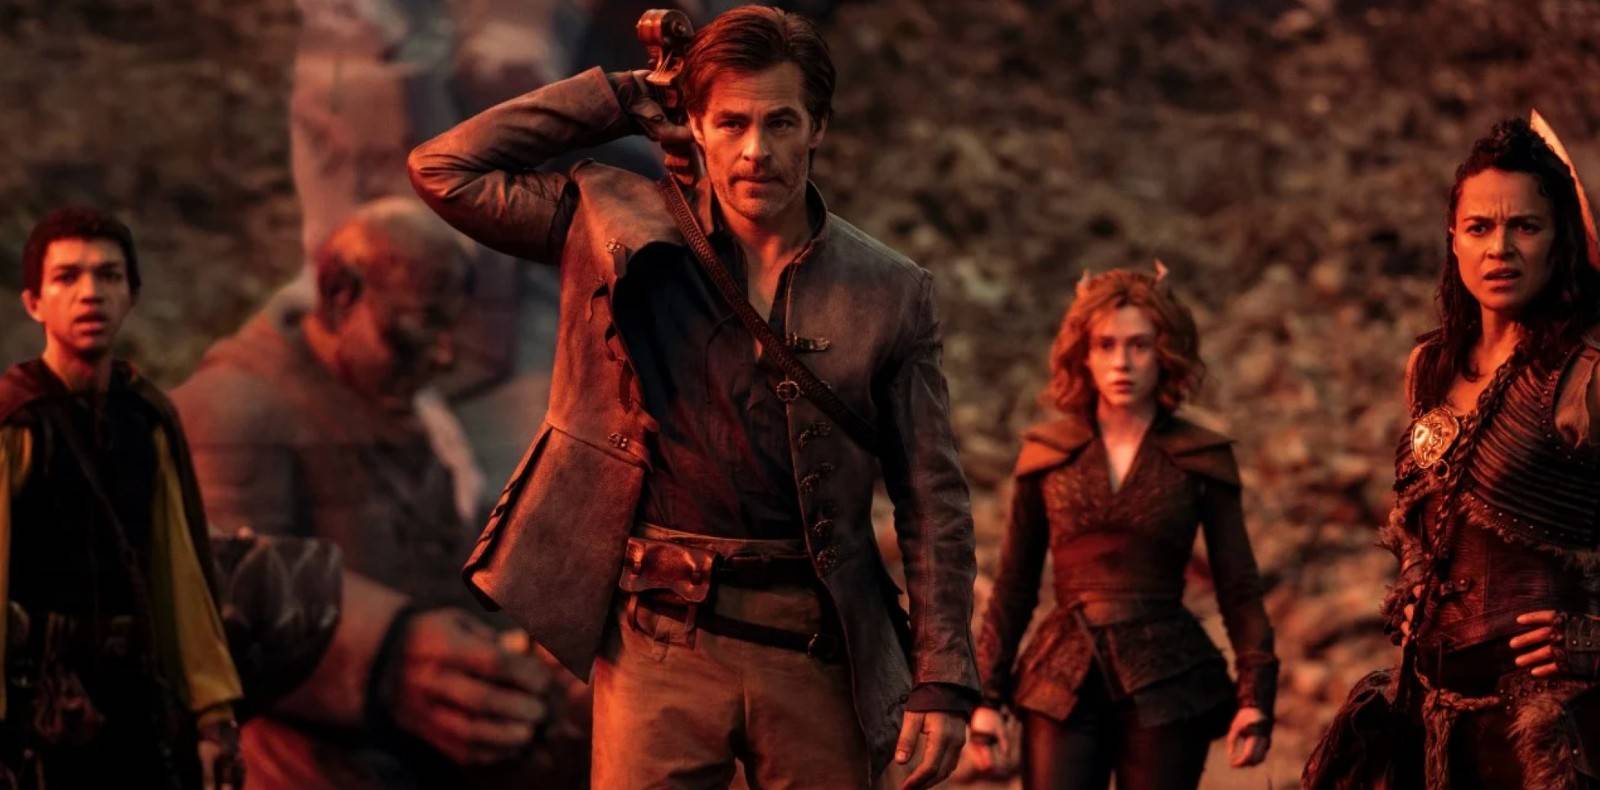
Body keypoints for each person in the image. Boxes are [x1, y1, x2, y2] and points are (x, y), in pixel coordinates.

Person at [409, 6, 979, 788]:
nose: (756, 151)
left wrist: (943, 678)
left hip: (816, 648)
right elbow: (443, 168)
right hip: (657, 641)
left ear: (818, 127)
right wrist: (620, 95)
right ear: (698, 126)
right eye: (732, 122)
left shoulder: (890, 290)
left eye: (781, 122)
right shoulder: (613, 224)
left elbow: (932, 498)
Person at [172, 197, 575, 789]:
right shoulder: (234, 408)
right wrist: (387, 659)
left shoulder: (405, 409)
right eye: (416, 328)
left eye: (448, 326)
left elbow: (449, 566)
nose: (442, 354)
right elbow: (213, 607)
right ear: (340, 295)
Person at [1308, 117, 1600, 790]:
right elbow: (1427, 514)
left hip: (1549, 730)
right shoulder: (1430, 366)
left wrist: (1594, 637)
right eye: (1479, 227)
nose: (1501, 248)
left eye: (1526, 226)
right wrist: (1413, 580)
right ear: (1453, 237)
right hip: (1429, 718)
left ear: (1559, 238)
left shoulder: (1585, 374)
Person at [965, 266, 1277, 789]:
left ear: (1165, 352)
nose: (1121, 363)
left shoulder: (1200, 456)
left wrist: (1255, 696)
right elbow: (1014, 586)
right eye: (1105, 345)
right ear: (1083, 354)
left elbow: (1238, 586)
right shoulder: (1049, 454)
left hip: (1167, 675)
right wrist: (986, 698)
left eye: (1139, 345)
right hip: (1060, 676)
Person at [0, 207, 244, 788]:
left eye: (108, 276)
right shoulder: (17, 422)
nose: (90, 293)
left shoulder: (145, 418)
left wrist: (212, 714)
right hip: (36, 710)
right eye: (67, 277)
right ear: (34, 302)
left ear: (131, 294)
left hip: (134, 703)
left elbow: (178, 573)